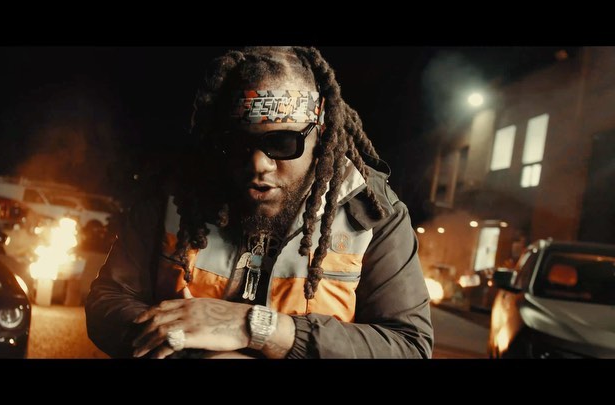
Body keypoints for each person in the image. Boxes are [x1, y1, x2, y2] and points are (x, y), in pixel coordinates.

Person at [85, 46, 433, 359]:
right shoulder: (175, 194)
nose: (258, 164)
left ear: (321, 134)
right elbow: (108, 299)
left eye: (282, 143)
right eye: (238, 143)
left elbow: (409, 345)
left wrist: (259, 327)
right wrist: (189, 349)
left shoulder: (373, 214)